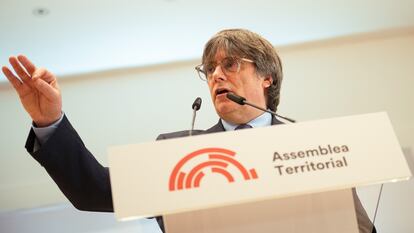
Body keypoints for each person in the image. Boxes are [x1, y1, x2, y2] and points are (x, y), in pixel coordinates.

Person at [2, 29, 375, 233]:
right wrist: (50, 122)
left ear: (267, 77)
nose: (216, 75)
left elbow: (357, 228)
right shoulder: (178, 152)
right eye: (209, 69)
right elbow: (93, 190)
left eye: (229, 64)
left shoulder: (314, 148)